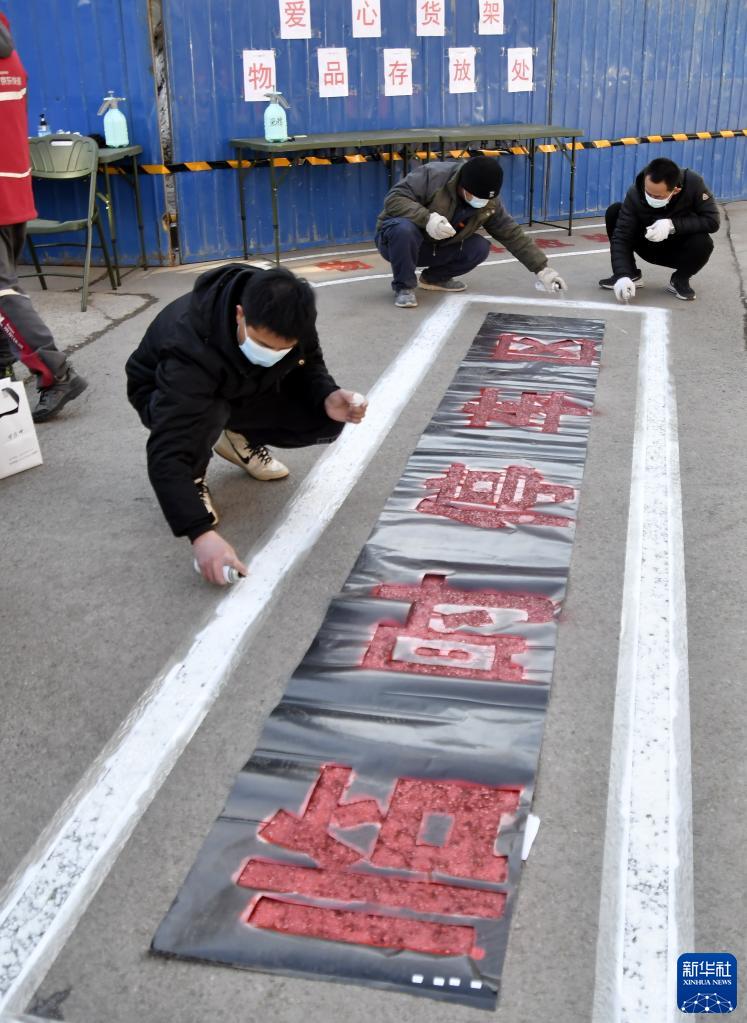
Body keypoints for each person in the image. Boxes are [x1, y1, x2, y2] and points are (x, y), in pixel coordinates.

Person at [125, 264, 367, 585]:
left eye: (283, 348)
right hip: (161, 393)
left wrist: (327, 395)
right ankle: (195, 475)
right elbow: (167, 450)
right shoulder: (189, 347)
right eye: (263, 345)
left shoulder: (293, 315)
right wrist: (199, 533)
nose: (273, 353)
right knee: (207, 413)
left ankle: (235, 435)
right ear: (240, 314)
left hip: (241, 382)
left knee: (323, 418)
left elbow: (309, 363)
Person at [0, 13, 88, 419]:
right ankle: (4, 369)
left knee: (2, 294)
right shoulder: (9, 54)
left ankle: (56, 373)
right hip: (13, 189)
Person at [374, 154, 566, 308]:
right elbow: (394, 199)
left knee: (479, 247)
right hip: (396, 243)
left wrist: (542, 269)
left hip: (436, 246)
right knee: (404, 229)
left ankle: (434, 278)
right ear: (462, 186)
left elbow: (510, 233)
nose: (481, 202)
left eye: (485, 198)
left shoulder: (488, 202)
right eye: (476, 196)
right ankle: (404, 287)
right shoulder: (433, 175)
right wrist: (427, 218)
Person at [599, 157, 719, 302]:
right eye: (647, 192)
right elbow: (621, 236)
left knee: (704, 242)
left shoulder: (694, 184)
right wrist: (622, 274)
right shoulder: (635, 192)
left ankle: (680, 279)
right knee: (615, 211)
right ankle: (631, 275)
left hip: (677, 249)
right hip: (646, 243)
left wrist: (672, 225)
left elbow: (712, 220)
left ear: (675, 190)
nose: (650, 197)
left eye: (657, 196)